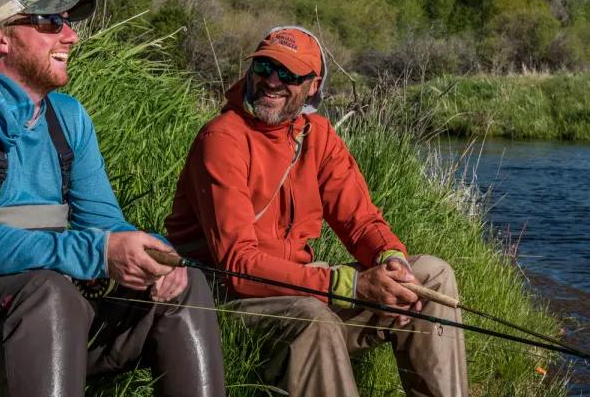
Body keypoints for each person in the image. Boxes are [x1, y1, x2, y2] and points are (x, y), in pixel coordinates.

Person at [0, 0, 224, 396]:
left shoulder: (68, 117)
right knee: (49, 293)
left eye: (67, 22)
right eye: (49, 22)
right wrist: (96, 253)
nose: (70, 35)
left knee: (186, 284)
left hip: (41, 311)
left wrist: (150, 253)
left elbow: (105, 223)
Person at [166, 26, 468, 397]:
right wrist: (351, 286)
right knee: (315, 319)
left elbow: (361, 222)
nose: (272, 81)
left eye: (289, 74)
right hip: (225, 299)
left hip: (300, 286)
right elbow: (239, 266)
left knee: (431, 275)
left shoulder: (319, 135)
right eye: (263, 67)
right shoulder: (222, 140)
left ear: (313, 85)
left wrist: (393, 262)